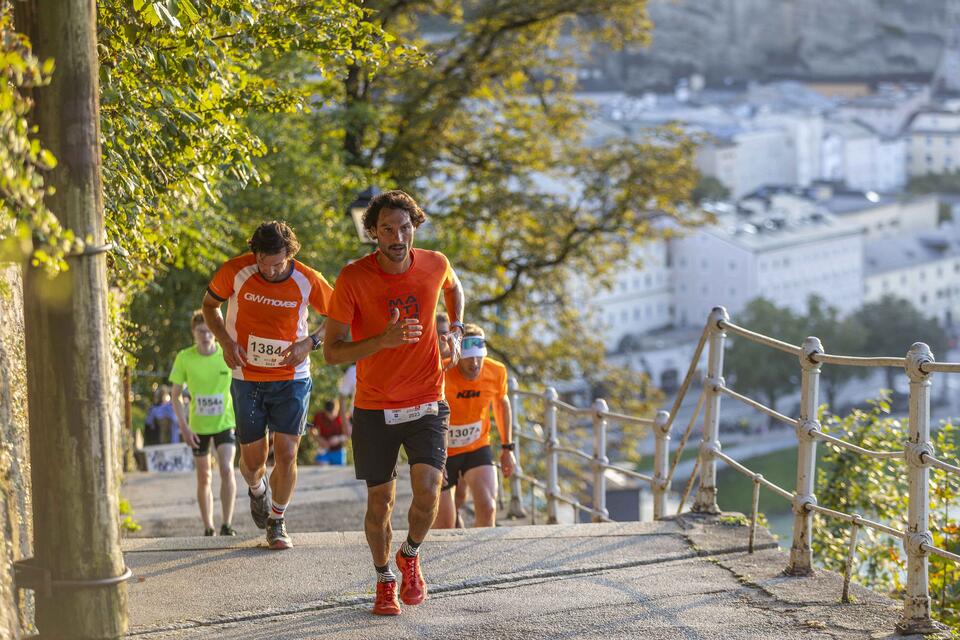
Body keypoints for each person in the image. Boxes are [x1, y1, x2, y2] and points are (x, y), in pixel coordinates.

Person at [324, 189, 464, 616]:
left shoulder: (435, 263)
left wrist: (455, 331)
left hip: (427, 398)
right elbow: (332, 351)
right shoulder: (353, 278)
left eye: (404, 227)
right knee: (380, 502)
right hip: (374, 407)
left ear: (414, 227)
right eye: (387, 229)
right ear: (373, 233)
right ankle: (385, 576)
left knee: (428, 490)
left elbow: (455, 288)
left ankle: (411, 553)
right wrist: (381, 340)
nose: (398, 236)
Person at [202, 221, 333, 550]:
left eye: (278, 263)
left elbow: (340, 317)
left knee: (287, 453)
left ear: (290, 254)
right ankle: (258, 490)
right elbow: (209, 306)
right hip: (247, 377)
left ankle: (277, 520)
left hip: (292, 377)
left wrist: (311, 342)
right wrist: (225, 342)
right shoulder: (236, 271)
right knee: (253, 461)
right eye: (263, 262)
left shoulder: (308, 279)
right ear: (255, 255)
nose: (270, 271)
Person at [434, 324, 516, 529]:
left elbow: (501, 403)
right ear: (457, 355)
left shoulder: (496, 371)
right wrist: (432, 457)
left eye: (479, 356)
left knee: (488, 507)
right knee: (444, 523)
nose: (475, 363)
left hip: (476, 446)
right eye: (468, 357)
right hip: (443, 451)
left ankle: (480, 560)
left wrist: (507, 448)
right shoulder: (441, 373)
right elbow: (427, 415)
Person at [170, 311, 238, 536]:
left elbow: (243, 383)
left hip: (224, 422)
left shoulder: (226, 354)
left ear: (216, 334)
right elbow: (175, 395)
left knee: (227, 469)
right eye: (201, 332)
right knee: (204, 476)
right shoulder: (185, 358)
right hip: (198, 427)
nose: (206, 336)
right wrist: (184, 428)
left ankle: (227, 524)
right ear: (193, 333)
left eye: (210, 332)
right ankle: (208, 526)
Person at [311, 399, 350, 465]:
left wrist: (338, 439)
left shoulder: (343, 417)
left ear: (337, 410)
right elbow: (312, 429)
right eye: (328, 413)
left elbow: (348, 435)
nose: (330, 416)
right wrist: (319, 439)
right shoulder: (319, 416)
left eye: (332, 413)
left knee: (338, 473)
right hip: (324, 450)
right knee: (319, 468)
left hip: (338, 451)